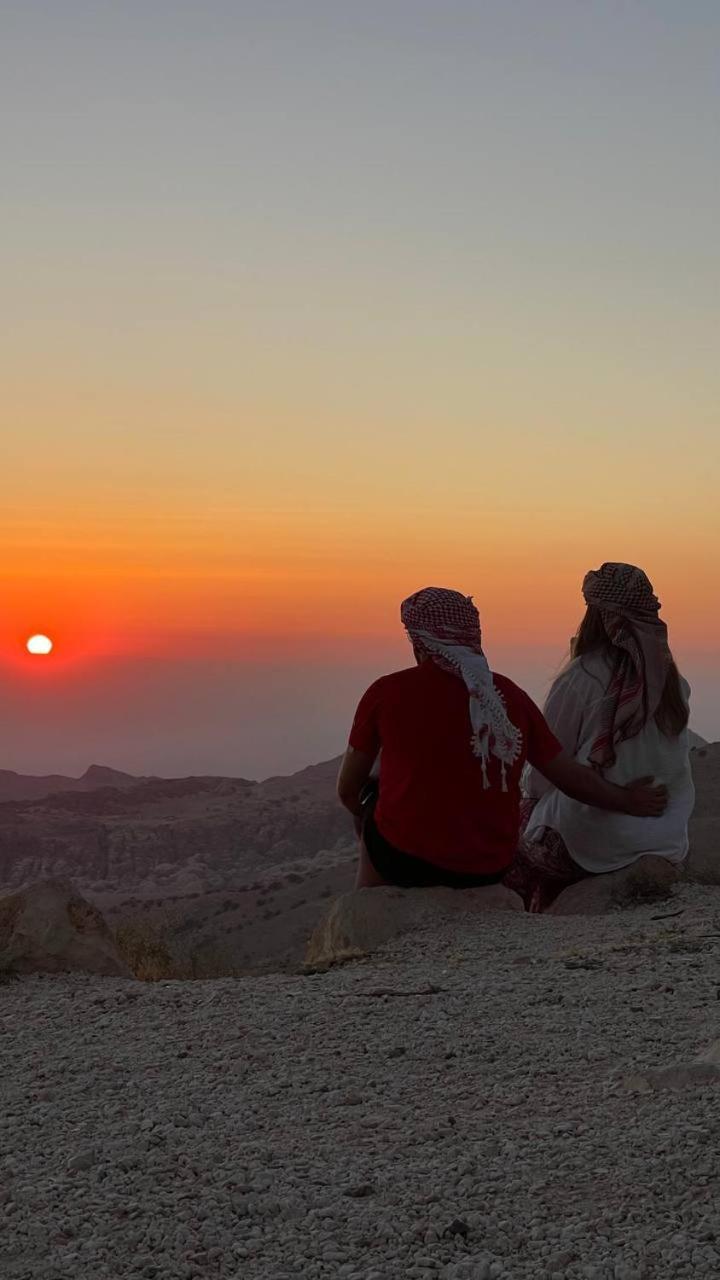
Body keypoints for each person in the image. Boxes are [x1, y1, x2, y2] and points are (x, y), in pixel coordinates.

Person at [337, 586, 668, 901]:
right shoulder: (509, 697)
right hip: (489, 867)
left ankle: (370, 900)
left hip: (406, 863)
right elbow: (568, 777)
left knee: (370, 794)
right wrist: (627, 800)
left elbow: (348, 791)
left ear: (419, 643)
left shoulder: (386, 692)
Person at [508, 562, 694, 911]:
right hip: (666, 839)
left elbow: (550, 766)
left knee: (518, 825)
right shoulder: (674, 683)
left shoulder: (583, 677)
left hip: (595, 841)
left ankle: (531, 918)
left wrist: (532, 802)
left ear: (596, 615)